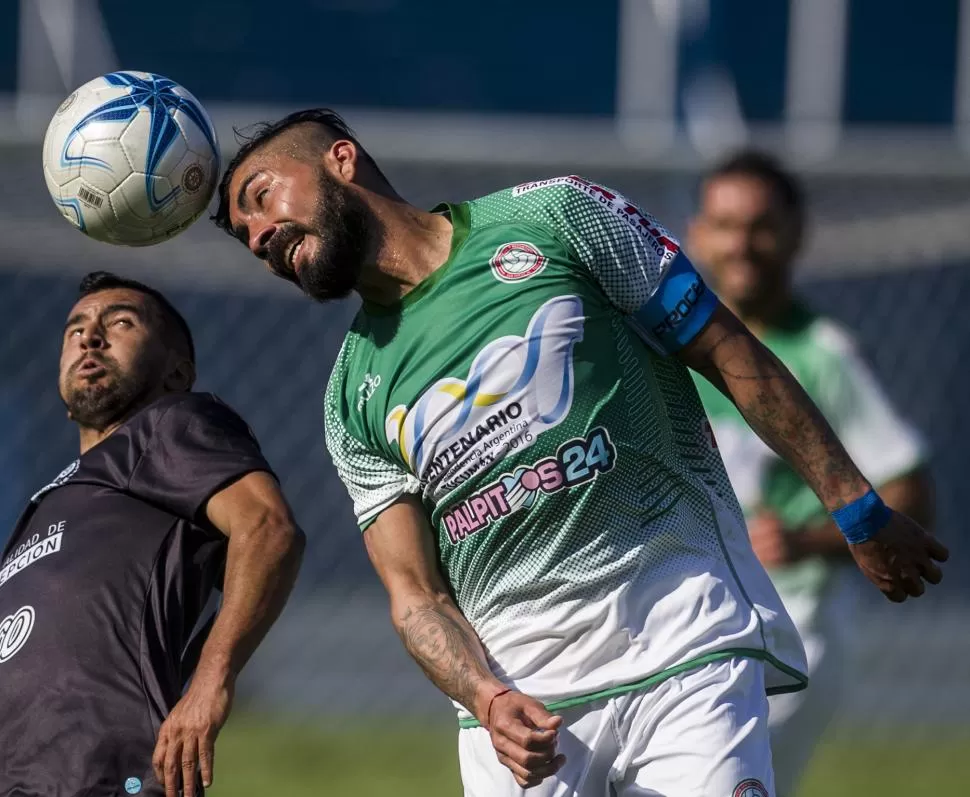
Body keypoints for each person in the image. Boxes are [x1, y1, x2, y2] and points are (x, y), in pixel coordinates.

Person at [213, 108, 947, 797]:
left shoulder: (556, 216)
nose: (256, 236)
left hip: (684, 640)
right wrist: (484, 694)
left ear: (341, 159)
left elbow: (728, 350)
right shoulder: (350, 396)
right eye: (242, 233)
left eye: (261, 196)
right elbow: (415, 596)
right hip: (523, 708)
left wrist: (853, 504)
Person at [685, 150, 935, 796]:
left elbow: (910, 494)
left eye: (761, 226)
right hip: (686, 631)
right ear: (695, 234)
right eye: (725, 224)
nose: (741, 244)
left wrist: (807, 540)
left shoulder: (822, 355)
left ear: (797, 236)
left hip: (788, 639)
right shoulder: (669, 349)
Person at [0, 271, 305, 797]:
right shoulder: (50, 499)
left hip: (110, 775)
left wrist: (212, 680)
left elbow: (268, 528)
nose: (90, 338)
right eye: (75, 331)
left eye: (120, 323)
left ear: (176, 372)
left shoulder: (168, 424)